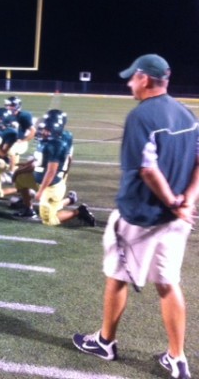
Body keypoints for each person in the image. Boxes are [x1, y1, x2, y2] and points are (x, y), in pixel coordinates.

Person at [73, 54, 199, 379]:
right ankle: (177, 357)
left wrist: (173, 201)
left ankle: (105, 342)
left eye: (132, 78)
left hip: (140, 216)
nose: (130, 83)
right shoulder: (187, 113)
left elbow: (146, 169)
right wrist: (186, 204)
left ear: (144, 78)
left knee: (117, 278)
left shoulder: (141, 116)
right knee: (169, 284)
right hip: (175, 222)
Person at [11, 109, 95, 226]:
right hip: (48, 174)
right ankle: (29, 208)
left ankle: (78, 211)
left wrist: (61, 176)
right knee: (20, 180)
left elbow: (50, 168)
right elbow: (44, 161)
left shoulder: (56, 143)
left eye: (48, 127)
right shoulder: (57, 138)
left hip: (51, 179)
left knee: (49, 217)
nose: (44, 130)